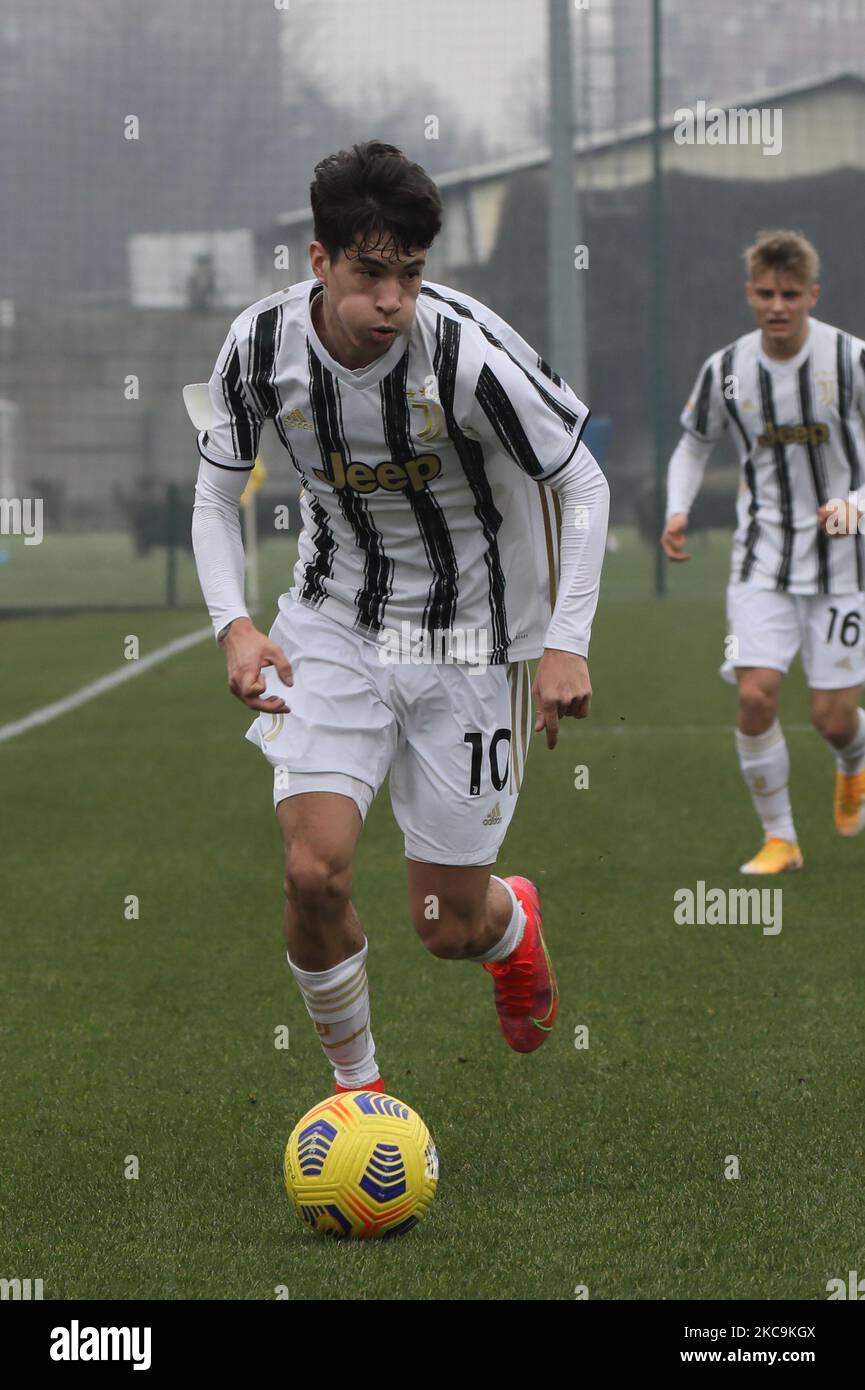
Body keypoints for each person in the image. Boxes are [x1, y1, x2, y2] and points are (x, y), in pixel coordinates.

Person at [191, 141, 608, 1093]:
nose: (392, 301)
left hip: (475, 637)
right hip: (333, 624)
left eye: (409, 276)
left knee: (445, 925)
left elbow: (580, 482)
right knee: (314, 873)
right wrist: (236, 625)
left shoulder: (462, 351)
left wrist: (564, 644)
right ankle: (359, 1098)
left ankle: (510, 925)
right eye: (370, 274)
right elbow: (217, 499)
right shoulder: (258, 347)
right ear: (319, 259)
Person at [661, 229, 865, 873]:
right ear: (751, 294)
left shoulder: (851, 360)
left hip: (844, 565)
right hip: (761, 560)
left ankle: (853, 761)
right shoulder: (727, 370)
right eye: (767, 294)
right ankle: (781, 839)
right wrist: (677, 509)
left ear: (813, 296)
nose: (778, 306)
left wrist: (854, 506)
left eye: (791, 294)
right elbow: (695, 442)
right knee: (755, 696)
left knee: (833, 718)